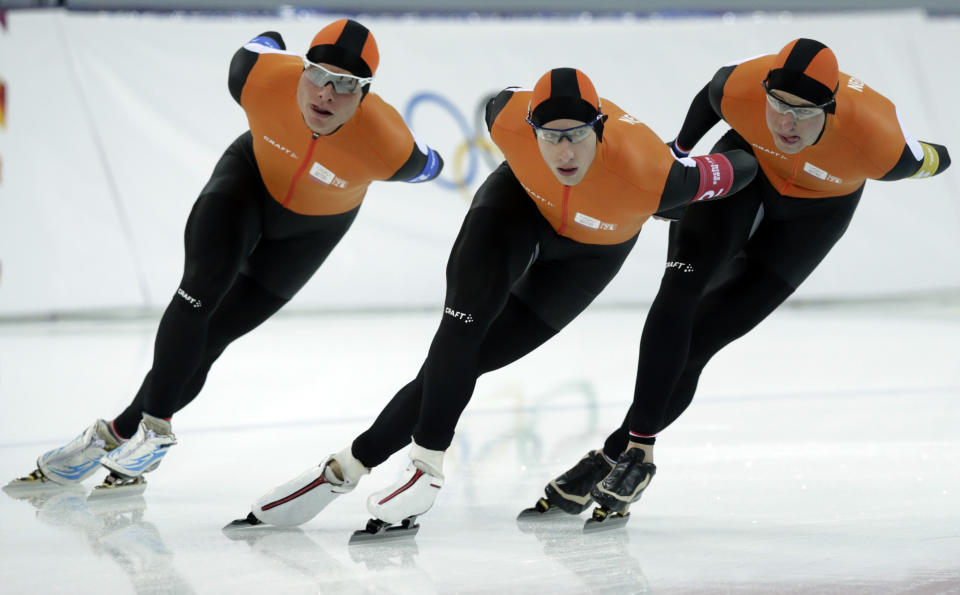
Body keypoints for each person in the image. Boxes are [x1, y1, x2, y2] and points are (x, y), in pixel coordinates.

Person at [236, 67, 758, 533]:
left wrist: (766, 146)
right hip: (518, 209)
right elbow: (505, 96)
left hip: (590, 256)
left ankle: (347, 466)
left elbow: (741, 168)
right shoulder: (505, 117)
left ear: (598, 129)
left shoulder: (658, 176)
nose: (565, 153)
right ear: (530, 130)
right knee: (460, 329)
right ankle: (425, 466)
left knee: (472, 359)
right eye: (550, 139)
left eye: (576, 136)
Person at [7, 19, 443, 493]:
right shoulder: (256, 77)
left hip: (310, 234)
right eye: (317, 74)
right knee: (198, 293)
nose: (325, 94)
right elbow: (262, 44)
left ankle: (118, 433)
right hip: (246, 186)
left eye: (345, 85)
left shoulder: (390, 146)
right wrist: (275, 42)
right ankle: (154, 430)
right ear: (300, 70)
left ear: (365, 94)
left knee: (212, 337)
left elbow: (432, 164)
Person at [539, 38, 951, 520]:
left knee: (699, 342)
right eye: (778, 105)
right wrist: (679, 152)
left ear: (832, 108)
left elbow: (928, 158)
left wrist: (940, 154)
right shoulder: (738, 87)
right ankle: (640, 452)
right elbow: (709, 97)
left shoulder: (878, 142)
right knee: (678, 292)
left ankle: (611, 458)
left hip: (812, 219)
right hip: (743, 173)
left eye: (803, 112)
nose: (785, 123)